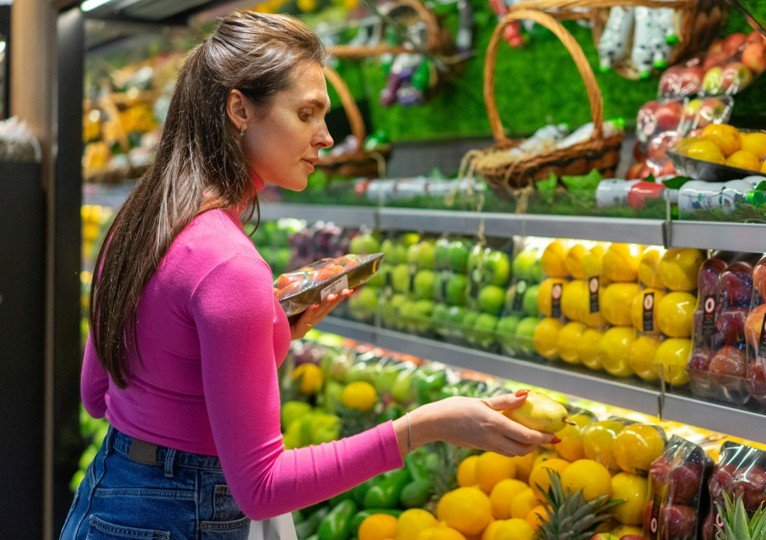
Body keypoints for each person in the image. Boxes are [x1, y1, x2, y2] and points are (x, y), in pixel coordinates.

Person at [61, 11, 554, 539]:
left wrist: (270, 336)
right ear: (239, 109)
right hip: (182, 517)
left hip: (108, 497)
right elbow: (262, 488)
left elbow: (101, 396)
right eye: (307, 113)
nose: (326, 137)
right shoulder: (231, 266)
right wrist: (423, 426)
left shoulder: (140, 221)